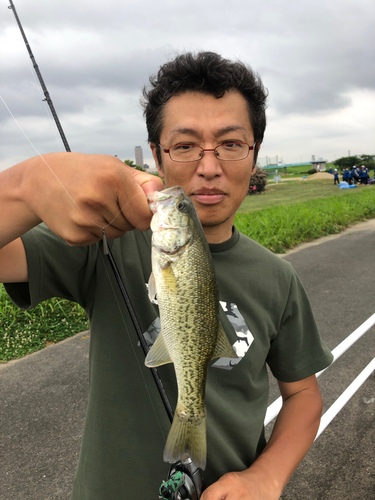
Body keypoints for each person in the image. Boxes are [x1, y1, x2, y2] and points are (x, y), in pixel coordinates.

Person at [0, 51, 333, 500]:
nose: (209, 167)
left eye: (231, 144)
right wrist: (25, 187)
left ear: (254, 157)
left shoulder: (278, 278)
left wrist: (266, 476)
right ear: (156, 155)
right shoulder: (107, 242)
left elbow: (303, 396)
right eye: (185, 145)